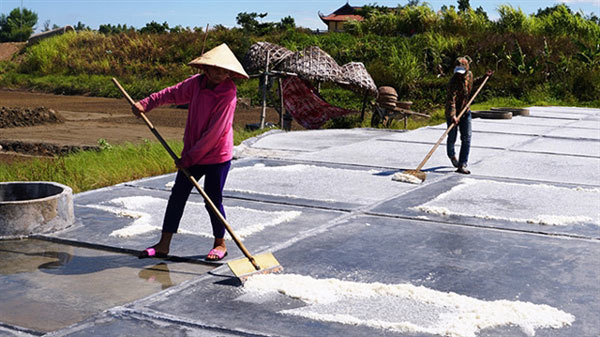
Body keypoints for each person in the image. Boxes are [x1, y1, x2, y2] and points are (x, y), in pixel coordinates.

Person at [133, 43, 249, 261]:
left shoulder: (228, 93)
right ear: (205, 69)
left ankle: (220, 243)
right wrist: (145, 104)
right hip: (193, 152)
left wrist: (189, 159)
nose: (218, 74)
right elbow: (171, 94)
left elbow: (214, 133)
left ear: (229, 73)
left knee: (212, 199)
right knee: (178, 195)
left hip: (216, 155)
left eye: (224, 71)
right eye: (214, 69)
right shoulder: (196, 84)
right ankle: (164, 244)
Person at [445, 56, 493, 174]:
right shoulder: (453, 81)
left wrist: (484, 78)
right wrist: (453, 116)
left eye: (462, 72)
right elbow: (451, 100)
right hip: (453, 112)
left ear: (466, 69)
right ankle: (451, 155)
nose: (459, 75)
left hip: (465, 111)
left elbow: (473, 82)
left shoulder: (469, 75)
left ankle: (462, 164)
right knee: (452, 137)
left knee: (467, 137)